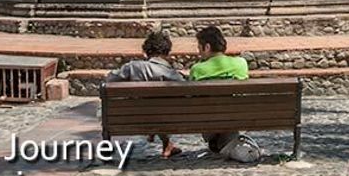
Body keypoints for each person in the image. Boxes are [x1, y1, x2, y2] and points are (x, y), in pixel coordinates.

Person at [104, 31, 185, 158]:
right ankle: (164, 141)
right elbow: (185, 93)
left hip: (132, 117)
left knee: (150, 108)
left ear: (146, 51)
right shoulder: (172, 74)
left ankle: (162, 140)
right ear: (167, 52)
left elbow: (109, 81)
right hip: (166, 118)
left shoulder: (132, 67)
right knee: (158, 109)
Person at [188, 26, 259, 162]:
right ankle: (226, 142)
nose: (198, 51)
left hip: (208, 121)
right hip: (236, 117)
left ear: (207, 47)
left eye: (199, 47)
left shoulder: (197, 69)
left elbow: (192, 98)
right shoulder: (241, 63)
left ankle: (218, 141)